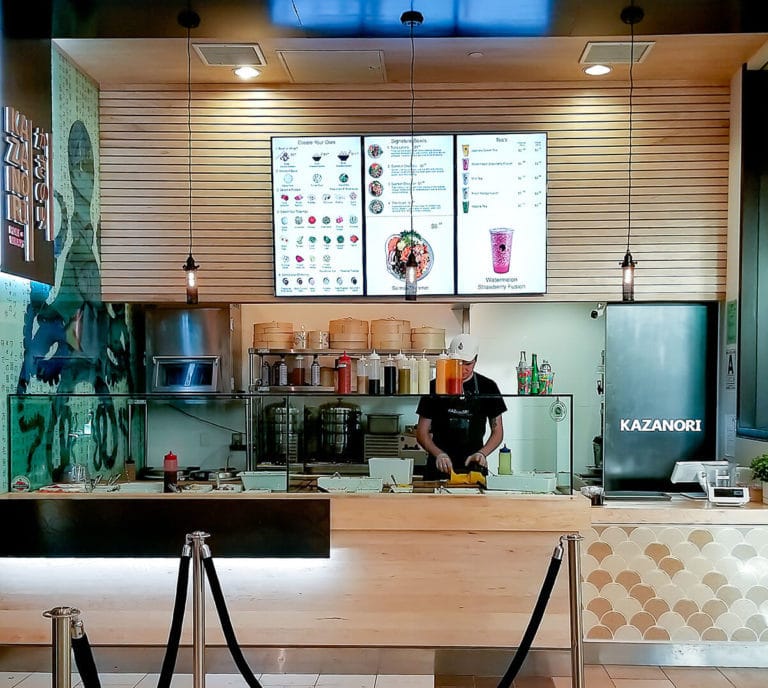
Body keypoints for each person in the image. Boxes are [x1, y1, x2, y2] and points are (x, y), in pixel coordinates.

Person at [416, 334, 506, 479]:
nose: (463, 368)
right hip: (439, 467)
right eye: (458, 363)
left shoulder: (488, 387)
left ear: (476, 360)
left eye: (467, 364)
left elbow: (497, 431)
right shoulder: (434, 386)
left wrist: (482, 453)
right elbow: (421, 432)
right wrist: (438, 454)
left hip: (474, 466)